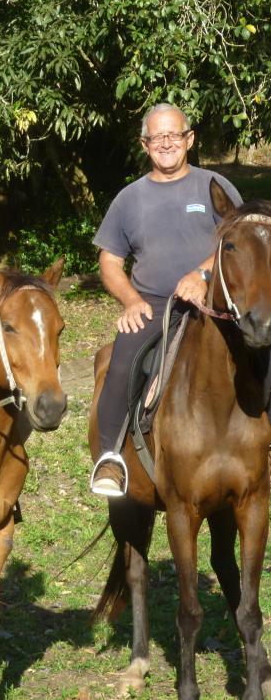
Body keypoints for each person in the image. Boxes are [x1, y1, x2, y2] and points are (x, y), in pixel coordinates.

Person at [89, 103, 242, 497]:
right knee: (122, 362)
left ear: (190, 139)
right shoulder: (129, 198)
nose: (167, 143)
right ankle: (111, 459)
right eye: (158, 137)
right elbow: (109, 262)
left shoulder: (214, 185)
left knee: (261, 346)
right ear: (145, 144)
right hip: (154, 305)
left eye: (175, 135)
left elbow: (240, 241)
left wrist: (203, 274)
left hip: (215, 299)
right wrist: (130, 300)